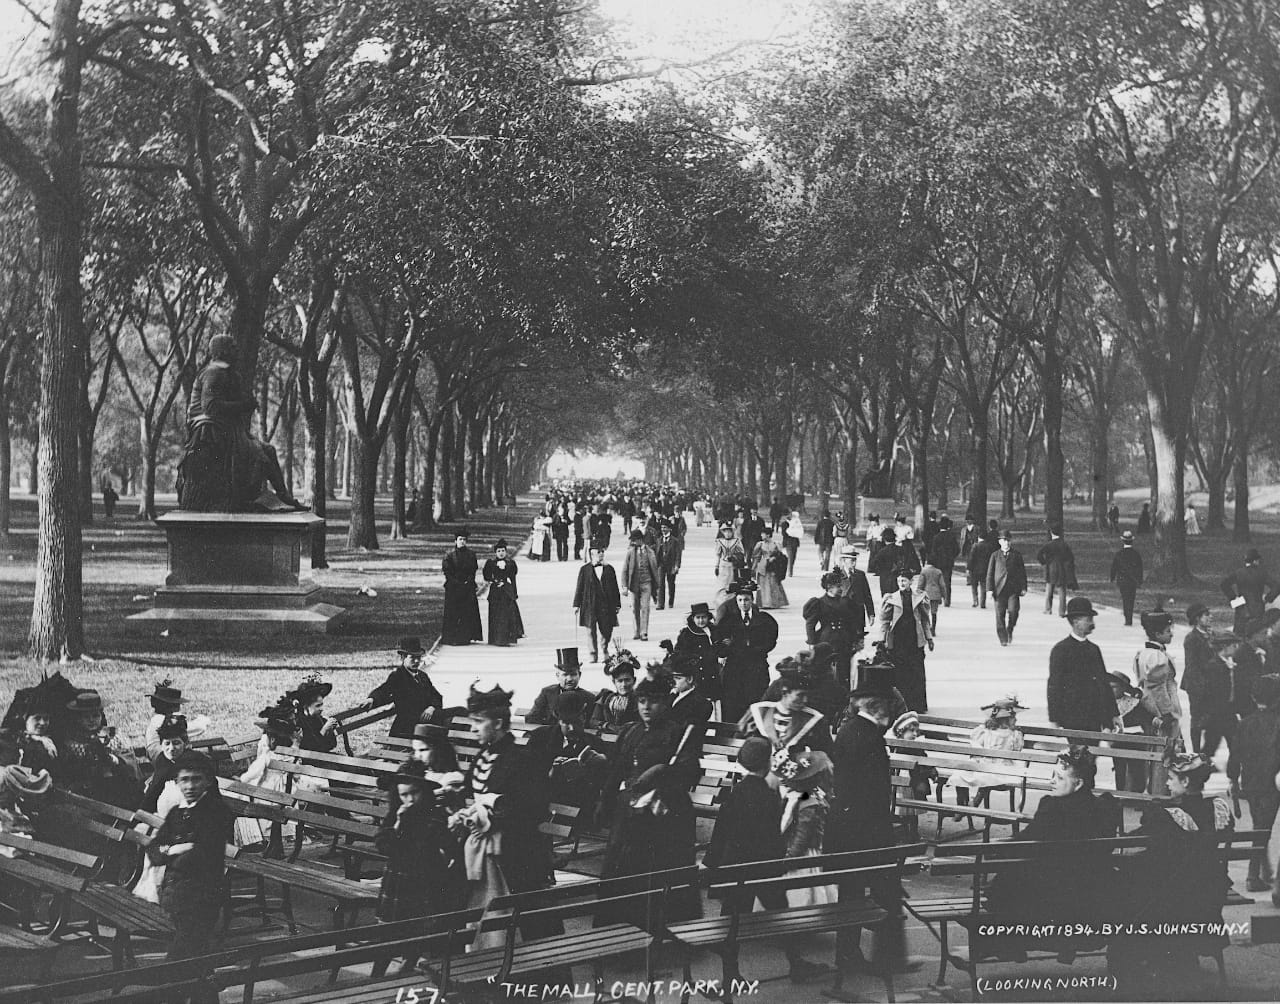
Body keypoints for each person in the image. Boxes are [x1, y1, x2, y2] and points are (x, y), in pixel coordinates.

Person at [705, 737, 828, 982]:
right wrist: (778, 861)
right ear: (766, 763)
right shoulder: (768, 794)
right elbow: (773, 836)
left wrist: (711, 863)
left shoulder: (735, 792)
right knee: (780, 914)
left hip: (735, 868)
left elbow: (721, 832)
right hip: (764, 868)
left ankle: (730, 973)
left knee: (731, 920)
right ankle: (796, 963)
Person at [1111, 753, 1233, 991]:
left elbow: (1149, 849)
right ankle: (1180, 955)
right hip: (1209, 892)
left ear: (1185, 782)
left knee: (1130, 888)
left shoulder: (1168, 815)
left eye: (1171, 778)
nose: (1167, 783)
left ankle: (1143, 957)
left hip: (1175, 896)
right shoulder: (1218, 809)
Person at [983, 747, 1120, 957]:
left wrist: (998, 849)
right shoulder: (1104, 807)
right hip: (1093, 888)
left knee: (1007, 883)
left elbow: (1027, 841)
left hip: (1053, 889)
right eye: (1052, 776)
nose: (1052, 781)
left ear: (1078, 783)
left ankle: (1010, 946)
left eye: (1059, 777)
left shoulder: (1053, 807)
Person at [450, 684, 555, 947]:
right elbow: (471, 794)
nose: (473, 728)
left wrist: (494, 811)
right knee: (478, 919)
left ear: (497, 723)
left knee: (522, 928)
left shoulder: (523, 758)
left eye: (478, 722)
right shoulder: (482, 756)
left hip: (514, 857)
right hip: (481, 855)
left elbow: (536, 809)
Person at [600, 677, 702, 924]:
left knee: (659, 871)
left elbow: (691, 771)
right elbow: (616, 769)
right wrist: (604, 801)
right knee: (623, 868)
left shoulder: (677, 733)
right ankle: (619, 929)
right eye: (642, 701)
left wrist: (661, 772)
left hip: (665, 814)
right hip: (629, 812)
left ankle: (665, 928)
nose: (646, 707)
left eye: (653, 702)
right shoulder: (631, 731)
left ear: (665, 703)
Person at [824, 672, 905, 976]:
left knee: (855, 892)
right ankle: (885, 959)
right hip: (866, 830)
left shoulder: (852, 729)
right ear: (878, 706)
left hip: (850, 829)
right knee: (879, 892)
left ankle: (852, 955)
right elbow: (870, 791)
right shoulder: (867, 736)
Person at [176, 335, 306, 512]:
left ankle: (283, 496)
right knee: (262, 453)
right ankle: (281, 496)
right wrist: (244, 405)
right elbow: (210, 407)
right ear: (223, 351)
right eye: (233, 347)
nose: (237, 351)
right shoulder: (214, 373)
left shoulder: (227, 373)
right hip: (210, 430)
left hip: (227, 428)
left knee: (267, 450)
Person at [371, 760, 464, 978]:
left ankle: (408, 964)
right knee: (388, 934)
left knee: (419, 929)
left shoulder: (433, 814)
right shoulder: (396, 814)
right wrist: (398, 825)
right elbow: (384, 845)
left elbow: (444, 846)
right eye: (404, 795)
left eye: (415, 793)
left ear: (424, 791)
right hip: (398, 881)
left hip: (424, 881)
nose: (410, 800)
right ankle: (376, 977)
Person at [148, 751, 234, 963]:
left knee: (182, 956)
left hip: (203, 894)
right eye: (184, 780)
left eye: (196, 779)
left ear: (207, 782)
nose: (190, 786)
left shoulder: (216, 811)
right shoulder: (177, 812)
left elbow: (202, 854)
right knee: (197, 956)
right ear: (176, 782)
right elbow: (154, 850)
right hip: (175, 895)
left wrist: (173, 852)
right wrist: (173, 850)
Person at [1228, 674, 1280, 892]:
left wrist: (1233, 780)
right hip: (1273, 781)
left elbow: (1235, 756)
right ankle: (1253, 874)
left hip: (1251, 782)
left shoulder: (1245, 723)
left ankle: (1261, 871)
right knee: (1263, 830)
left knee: (1260, 827)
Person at [1047, 598, 1120, 732]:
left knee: (1093, 751)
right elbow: (1054, 685)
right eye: (1088, 619)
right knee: (1079, 752)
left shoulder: (1094, 649)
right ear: (1076, 621)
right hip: (1072, 716)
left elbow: (1103, 683)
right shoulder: (1061, 649)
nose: (1092, 623)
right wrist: (1054, 719)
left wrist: (1113, 714)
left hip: (1095, 715)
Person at [715, 582, 780, 725]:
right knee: (733, 703)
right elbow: (719, 644)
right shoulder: (728, 621)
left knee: (756, 700)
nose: (743, 603)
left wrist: (756, 650)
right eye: (740, 600)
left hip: (756, 667)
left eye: (746, 600)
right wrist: (727, 647)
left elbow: (771, 640)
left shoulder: (764, 620)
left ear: (752, 601)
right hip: (735, 669)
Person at [1133, 609, 1182, 794]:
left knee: (1157, 751)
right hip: (1160, 711)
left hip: (1149, 708)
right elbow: (1158, 689)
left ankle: (1157, 790)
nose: (1171, 634)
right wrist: (1167, 714)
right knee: (1165, 752)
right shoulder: (1157, 657)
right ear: (1158, 634)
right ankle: (1160, 793)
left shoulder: (1143, 653)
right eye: (1168, 631)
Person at [949, 698, 1026, 809]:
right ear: (1004, 720)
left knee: (987, 777)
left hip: (1003, 768)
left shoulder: (1014, 735)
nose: (1016, 719)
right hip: (985, 764)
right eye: (1013, 717)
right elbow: (976, 745)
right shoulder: (987, 731)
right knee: (960, 773)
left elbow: (1017, 751)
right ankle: (961, 804)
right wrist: (979, 755)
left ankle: (975, 801)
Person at [363, 637, 445, 740]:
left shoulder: (422, 676)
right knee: (455, 716)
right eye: (412, 658)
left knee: (458, 713)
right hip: (408, 727)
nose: (416, 661)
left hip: (426, 721)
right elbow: (384, 690)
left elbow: (436, 696)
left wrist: (432, 707)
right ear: (403, 658)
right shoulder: (398, 676)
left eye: (418, 657)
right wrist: (372, 699)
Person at [879, 567, 933, 713]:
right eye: (899, 580)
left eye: (904, 580)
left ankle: (918, 705)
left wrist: (929, 637)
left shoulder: (920, 597)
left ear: (911, 581)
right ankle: (901, 705)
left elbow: (925, 619)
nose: (901, 583)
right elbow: (884, 621)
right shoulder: (891, 598)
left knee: (916, 672)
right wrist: (881, 639)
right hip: (898, 640)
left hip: (914, 639)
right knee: (900, 673)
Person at [804, 571, 862, 691]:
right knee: (828, 669)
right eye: (838, 586)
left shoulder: (846, 602)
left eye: (841, 585)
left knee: (845, 669)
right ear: (829, 587)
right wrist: (811, 643)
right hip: (827, 640)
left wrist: (857, 639)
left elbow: (852, 622)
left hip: (844, 640)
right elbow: (810, 624)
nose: (841, 588)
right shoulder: (819, 603)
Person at [573, 544, 621, 663]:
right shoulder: (585, 569)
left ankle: (604, 649)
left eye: (602, 552)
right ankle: (593, 653)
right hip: (589, 605)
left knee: (607, 629)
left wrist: (617, 604)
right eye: (598, 552)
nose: (601, 554)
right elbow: (579, 587)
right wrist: (576, 604)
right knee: (590, 630)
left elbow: (615, 588)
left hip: (606, 605)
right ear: (591, 555)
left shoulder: (609, 569)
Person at [1108, 672, 1153, 794]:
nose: (1111, 690)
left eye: (1114, 687)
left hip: (1136, 740)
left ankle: (1137, 794)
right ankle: (1120, 793)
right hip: (1117, 741)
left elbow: (1146, 721)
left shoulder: (1134, 703)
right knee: (1119, 768)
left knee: (1137, 768)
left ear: (1123, 688)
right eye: (1108, 687)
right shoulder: (1106, 705)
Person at [144, 681, 209, 763]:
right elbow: (199, 728)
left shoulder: (157, 719)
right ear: (168, 705)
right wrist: (204, 719)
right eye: (176, 704)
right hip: (165, 760)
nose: (178, 707)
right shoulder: (162, 721)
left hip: (165, 758)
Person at [1220, 548, 1280, 635]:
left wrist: (1233, 598)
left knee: (1239, 634)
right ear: (1255, 561)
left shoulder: (1239, 572)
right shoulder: (1262, 573)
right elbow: (1277, 586)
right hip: (1257, 607)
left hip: (1241, 606)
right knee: (1256, 633)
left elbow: (1224, 584)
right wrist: (1267, 598)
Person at [673, 602, 721, 706]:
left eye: (703, 617)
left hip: (710, 673)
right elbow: (678, 652)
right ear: (692, 618)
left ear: (708, 618)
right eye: (698, 617)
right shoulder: (686, 634)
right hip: (695, 674)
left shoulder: (713, 631)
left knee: (712, 700)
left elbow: (720, 650)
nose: (701, 620)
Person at [527, 648, 590, 725]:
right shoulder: (547, 693)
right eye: (565, 675)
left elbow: (590, 723)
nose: (569, 679)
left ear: (579, 675)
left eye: (573, 674)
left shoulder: (588, 697)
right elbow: (531, 718)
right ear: (557, 675)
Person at [441, 530, 483, 646]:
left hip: (467, 587)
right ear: (455, 541)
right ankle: (451, 637)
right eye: (460, 539)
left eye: (464, 540)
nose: (462, 542)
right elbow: (447, 571)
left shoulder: (471, 554)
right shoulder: (449, 555)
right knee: (453, 612)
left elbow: (473, 570)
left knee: (467, 612)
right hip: (453, 588)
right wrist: (456, 582)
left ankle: (465, 637)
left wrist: (467, 581)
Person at [987, 530, 1028, 646]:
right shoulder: (995, 555)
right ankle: (1003, 638)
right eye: (1004, 540)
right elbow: (990, 573)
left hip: (1013, 590)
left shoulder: (1017, 555)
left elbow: (1022, 573)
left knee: (1013, 611)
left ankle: (1010, 628)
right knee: (999, 615)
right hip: (999, 590)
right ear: (1000, 542)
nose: (1007, 543)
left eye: (1008, 540)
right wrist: (989, 589)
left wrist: (1024, 587)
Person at [483, 539, 524, 647]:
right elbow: (486, 576)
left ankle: (506, 638)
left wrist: (514, 592)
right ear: (495, 552)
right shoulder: (491, 563)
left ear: (506, 552)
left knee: (506, 615)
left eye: (503, 551)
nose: (501, 553)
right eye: (499, 551)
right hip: (495, 592)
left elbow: (513, 578)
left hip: (506, 591)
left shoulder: (511, 563)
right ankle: (495, 638)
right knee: (495, 615)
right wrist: (495, 581)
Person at [621, 529, 660, 642]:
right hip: (634, 585)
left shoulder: (650, 552)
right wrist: (624, 586)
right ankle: (636, 631)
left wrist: (656, 586)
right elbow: (625, 569)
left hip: (646, 583)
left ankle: (644, 632)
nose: (633, 543)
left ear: (640, 540)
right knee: (634, 608)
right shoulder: (630, 552)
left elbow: (655, 569)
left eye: (634, 540)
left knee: (645, 608)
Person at [590, 653, 640, 735]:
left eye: (627, 680)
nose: (623, 685)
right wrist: (609, 726)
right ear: (614, 682)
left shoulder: (639, 700)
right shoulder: (606, 698)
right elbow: (593, 721)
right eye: (620, 681)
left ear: (634, 680)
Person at [289, 675, 339, 755]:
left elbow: (332, 745)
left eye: (322, 704)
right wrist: (324, 729)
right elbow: (312, 749)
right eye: (318, 706)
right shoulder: (300, 722)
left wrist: (330, 731)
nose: (321, 708)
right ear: (306, 706)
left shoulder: (318, 719)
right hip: (309, 761)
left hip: (323, 758)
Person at [1036, 525, 1077, 618]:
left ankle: (1048, 609)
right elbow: (1070, 558)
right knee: (1062, 591)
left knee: (1049, 590)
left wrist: (1045, 563)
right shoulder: (1064, 545)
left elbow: (1039, 555)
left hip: (1051, 568)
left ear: (1051, 533)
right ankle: (1062, 611)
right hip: (1061, 569)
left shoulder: (1048, 545)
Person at [665, 658, 715, 731]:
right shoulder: (672, 696)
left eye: (678, 678)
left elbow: (684, 729)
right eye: (673, 678)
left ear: (690, 679)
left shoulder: (701, 703)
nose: (673, 682)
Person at [868, 528, 920, 596]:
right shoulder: (901, 549)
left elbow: (872, 565)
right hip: (899, 580)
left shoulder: (882, 551)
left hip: (885, 580)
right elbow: (910, 562)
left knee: (887, 601)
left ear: (884, 539)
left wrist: (881, 569)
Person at [1109, 530, 1145, 626]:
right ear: (1131, 541)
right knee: (1131, 599)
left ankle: (1127, 618)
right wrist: (1139, 580)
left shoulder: (1119, 554)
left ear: (1123, 541)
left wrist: (1112, 578)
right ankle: (1129, 618)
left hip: (1122, 580)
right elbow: (1140, 568)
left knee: (1125, 599)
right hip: (1133, 581)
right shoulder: (1136, 554)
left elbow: (1114, 567)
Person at [751, 525, 790, 610]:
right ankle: (764, 602)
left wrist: (775, 558)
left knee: (773, 583)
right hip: (763, 565)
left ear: (768, 535)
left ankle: (774, 602)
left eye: (763, 534)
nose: (761, 535)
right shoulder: (760, 544)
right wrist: (753, 568)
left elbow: (781, 556)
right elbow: (756, 557)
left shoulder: (776, 544)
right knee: (763, 584)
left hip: (773, 566)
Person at [712, 522, 745, 609]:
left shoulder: (737, 541)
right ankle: (721, 602)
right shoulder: (720, 541)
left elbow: (741, 553)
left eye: (729, 531)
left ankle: (731, 602)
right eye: (725, 532)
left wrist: (734, 557)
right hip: (723, 565)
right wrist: (716, 566)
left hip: (732, 566)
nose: (728, 533)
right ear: (723, 532)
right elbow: (718, 555)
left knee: (731, 584)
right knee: (722, 584)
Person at [928, 516, 959, 607]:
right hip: (948, 562)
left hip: (938, 562)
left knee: (937, 581)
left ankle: (938, 598)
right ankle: (947, 599)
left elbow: (933, 551)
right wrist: (952, 556)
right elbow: (957, 549)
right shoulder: (951, 537)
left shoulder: (936, 537)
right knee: (947, 581)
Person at [655, 522, 682, 611]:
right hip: (661, 565)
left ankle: (671, 602)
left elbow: (678, 554)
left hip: (671, 565)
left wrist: (677, 566)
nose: (663, 529)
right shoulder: (659, 540)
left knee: (671, 584)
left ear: (669, 529)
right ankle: (660, 604)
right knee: (660, 584)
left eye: (665, 527)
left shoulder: (675, 541)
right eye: (662, 527)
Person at [913, 558, 946, 633]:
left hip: (926, 594)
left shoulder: (924, 571)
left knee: (925, 612)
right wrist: (944, 595)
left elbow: (920, 584)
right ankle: (933, 629)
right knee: (934, 612)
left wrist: (917, 594)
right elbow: (942, 585)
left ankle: (927, 629)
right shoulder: (938, 572)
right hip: (936, 594)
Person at [967, 531, 996, 609]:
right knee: (983, 586)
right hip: (985, 569)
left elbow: (971, 558)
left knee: (974, 586)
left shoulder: (975, 546)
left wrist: (968, 568)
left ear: (979, 537)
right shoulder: (990, 546)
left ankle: (975, 601)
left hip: (974, 569)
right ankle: (983, 602)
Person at [782, 507, 804, 578]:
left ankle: (790, 568)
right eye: (788, 514)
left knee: (793, 557)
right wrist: (791, 531)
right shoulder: (784, 523)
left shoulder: (795, 522)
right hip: (788, 542)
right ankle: (790, 572)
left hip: (795, 542)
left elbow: (799, 529)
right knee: (790, 557)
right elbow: (784, 534)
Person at [814, 508, 836, 573]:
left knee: (820, 552)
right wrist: (833, 541)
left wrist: (816, 540)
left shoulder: (820, 522)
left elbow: (817, 532)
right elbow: (833, 533)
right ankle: (826, 567)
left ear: (823, 516)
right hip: (829, 541)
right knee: (828, 554)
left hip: (821, 540)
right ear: (829, 516)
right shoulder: (832, 523)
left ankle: (821, 560)